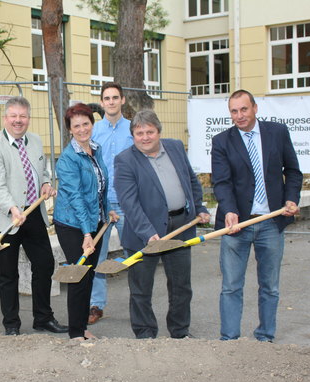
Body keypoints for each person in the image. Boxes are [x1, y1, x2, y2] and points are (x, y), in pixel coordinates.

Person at [211, 89, 302, 342]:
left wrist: (291, 198)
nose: (239, 116)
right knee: (231, 287)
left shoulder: (277, 133)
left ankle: (265, 337)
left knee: (270, 287)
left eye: (244, 109)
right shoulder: (221, 141)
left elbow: (293, 172)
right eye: (234, 111)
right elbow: (221, 182)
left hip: (272, 222)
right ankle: (229, 340)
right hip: (237, 225)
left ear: (255, 108)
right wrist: (229, 210)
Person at [115, 109, 210, 339]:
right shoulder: (125, 160)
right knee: (141, 288)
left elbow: (191, 182)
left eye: (150, 131)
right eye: (139, 133)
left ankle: (179, 330)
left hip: (180, 226)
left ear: (159, 131)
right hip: (143, 234)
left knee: (181, 286)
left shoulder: (175, 147)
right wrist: (148, 233)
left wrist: (200, 207)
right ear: (133, 135)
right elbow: (129, 203)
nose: (145, 137)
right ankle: (145, 334)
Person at [0, 96, 68, 336]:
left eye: (23, 116)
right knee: (8, 272)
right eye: (13, 116)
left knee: (45, 263)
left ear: (28, 118)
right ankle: (12, 324)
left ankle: (43, 318)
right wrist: (12, 208)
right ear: (5, 118)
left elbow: (43, 169)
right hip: (6, 218)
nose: (18, 121)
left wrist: (46, 183)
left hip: (33, 213)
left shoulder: (35, 141)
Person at [54, 103, 119, 340]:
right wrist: (86, 234)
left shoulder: (95, 148)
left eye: (86, 123)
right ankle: (75, 334)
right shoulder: (67, 159)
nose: (82, 129)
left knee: (90, 274)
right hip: (73, 224)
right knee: (78, 275)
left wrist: (109, 209)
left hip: (95, 221)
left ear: (92, 124)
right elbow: (76, 198)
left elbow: (101, 185)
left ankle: (81, 327)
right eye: (76, 126)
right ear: (70, 130)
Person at [88, 82, 134, 325]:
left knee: (134, 255)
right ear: (102, 102)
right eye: (107, 98)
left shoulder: (133, 129)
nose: (111, 102)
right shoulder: (93, 130)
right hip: (102, 204)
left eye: (115, 97)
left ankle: (138, 303)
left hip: (128, 202)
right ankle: (96, 305)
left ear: (122, 100)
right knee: (98, 257)